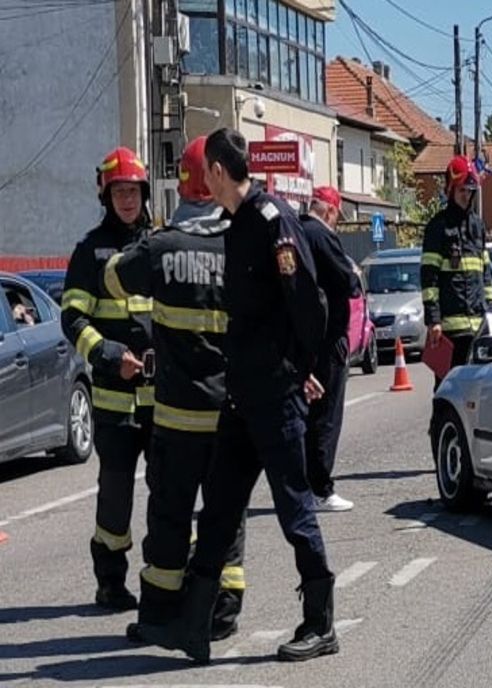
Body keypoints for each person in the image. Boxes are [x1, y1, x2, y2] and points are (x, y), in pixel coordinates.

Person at [138, 128, 335, 664]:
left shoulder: (272, 221)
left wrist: (303, 370)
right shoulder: (237, 224)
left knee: (294, 509)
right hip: (241, 396)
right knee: (219, 509)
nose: (202, 181)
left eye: (206, 172)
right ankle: (193, 624)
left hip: (274, 396)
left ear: (219, 172)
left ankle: (320, 621)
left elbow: (309, 303)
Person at [102, 136, 246, 643]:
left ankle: (161, 616)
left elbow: (113, 279)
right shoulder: (241, 244)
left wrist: (156, 239)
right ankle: (222, 614)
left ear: (183, 185)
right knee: (226, 516)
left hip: (176, 416)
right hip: (229, 415)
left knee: (170, 517)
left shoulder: (162, 246)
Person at [61, 146, 155, 611]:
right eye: (119, 192)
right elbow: (73, 319)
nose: (127, 200)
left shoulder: (160, 244)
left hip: (163, 397)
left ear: (144, 193)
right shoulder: (89, 251)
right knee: (115, 495)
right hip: (115, 398)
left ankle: (166, 578)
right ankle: (111, 581)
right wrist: (109, 355)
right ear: (106, 196)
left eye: (133, 191)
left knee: (170, 489)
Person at [300, 185, 356, 513]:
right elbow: (348, 282)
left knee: (305, 417)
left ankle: (304, 485)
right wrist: (354, 274)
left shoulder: (294, 232)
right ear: (331, 211)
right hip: (328, 339)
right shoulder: (323, 236)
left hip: (301, 340)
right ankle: (321, 488)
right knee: (327, 416)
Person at [420, 156, 492, 388]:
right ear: (450, 190)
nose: (466, 195)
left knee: (477, 391)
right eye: (462, 190)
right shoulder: (438, 227)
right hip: (450, 332)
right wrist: (433, 320)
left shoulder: (477, 226)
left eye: (470, 191)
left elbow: (486, 274)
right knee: (447, 390)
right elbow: (429, 279)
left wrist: (491, 311)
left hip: (478, 328)